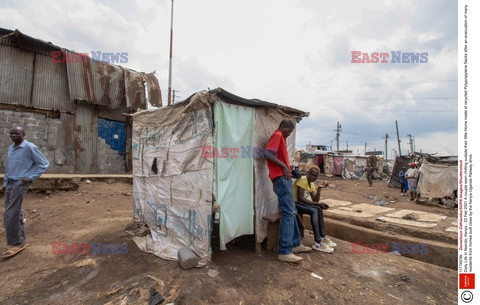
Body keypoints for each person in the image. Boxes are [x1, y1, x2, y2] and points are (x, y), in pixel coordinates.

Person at [265, 119, 311, 263]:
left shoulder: (281, 138)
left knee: (292, 212)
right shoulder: (277, 135)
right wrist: (284, 168)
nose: (288, 135)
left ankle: (295, 244)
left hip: (283, 179)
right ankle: (285, 251)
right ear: (283, 127)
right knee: (289, 213)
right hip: (280, 179)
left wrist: (289, 168)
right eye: (288, 131)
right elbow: (267, 154)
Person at [1, 125, 49, 258]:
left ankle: (16, 243)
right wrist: (5, 184)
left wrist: (31, 178)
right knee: (15, 212)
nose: (13, 136)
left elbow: (43, 164)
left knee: (10, 214)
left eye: (16, 133)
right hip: (10, 183)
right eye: (11, 133)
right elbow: (8, 167)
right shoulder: (11, 148)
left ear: (23, 134)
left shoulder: (30, 147)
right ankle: (20, 240)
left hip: (20, 184)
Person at [293, 165, 336, 253]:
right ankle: (317, 242)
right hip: (293, 204)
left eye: (315, 176)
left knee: (318, 209)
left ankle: (322, 237)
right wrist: (317, 204)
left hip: (300, 204)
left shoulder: (311, 183)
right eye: (311, 174)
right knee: (314, 210)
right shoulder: (303, 179)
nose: (313, 177)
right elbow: (301, 198)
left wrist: (319, 189)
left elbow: (315, 200)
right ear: (308, 173)